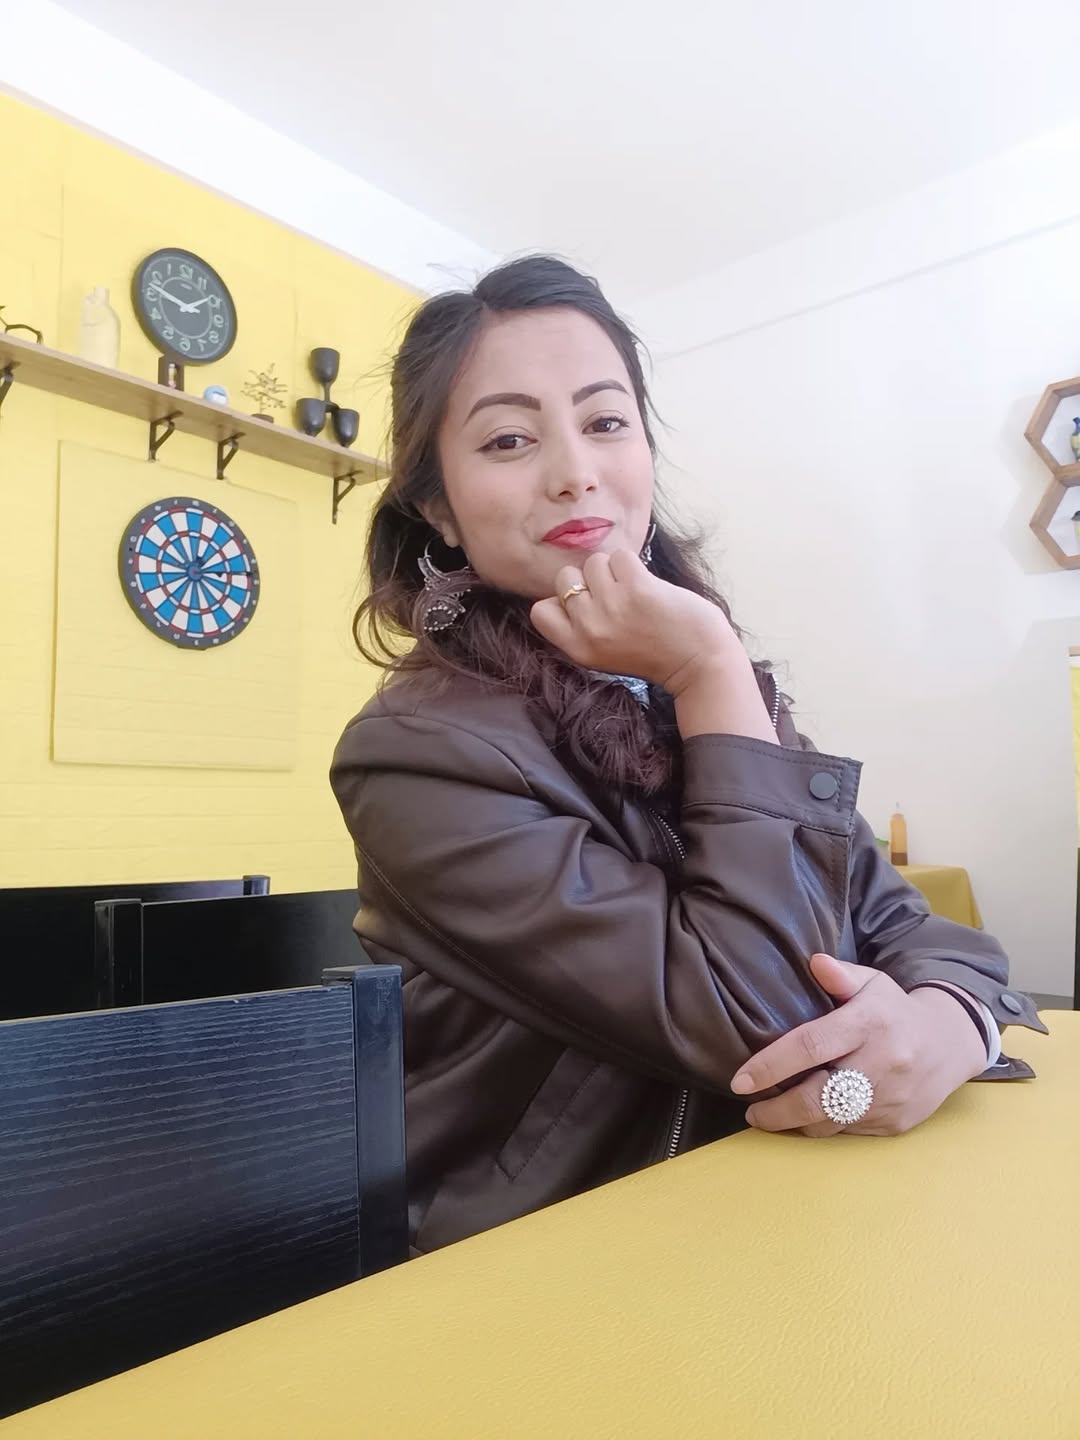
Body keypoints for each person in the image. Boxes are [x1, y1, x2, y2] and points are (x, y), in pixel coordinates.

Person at [331, 255, 1044, 1255]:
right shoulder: (414, 756)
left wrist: (950, 1024)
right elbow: (761, 1020)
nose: (574, 469)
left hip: (778, 1213)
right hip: (553, 1258)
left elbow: (913, 926)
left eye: (605, 421)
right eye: (508, 439)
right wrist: (711, 668)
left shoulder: (682, 690)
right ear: (438, 508)